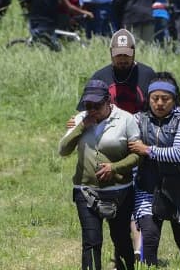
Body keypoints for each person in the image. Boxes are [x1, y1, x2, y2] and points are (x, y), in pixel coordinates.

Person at [59, 79, 139, 270]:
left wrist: (115, 168)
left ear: (108, 101)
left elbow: (137, 155)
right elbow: (63, 150)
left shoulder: (126, 119)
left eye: (97, 105)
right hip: (85, 191)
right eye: (88, 105)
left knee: (120, 239)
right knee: (91, 241)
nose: (92, 109)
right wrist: (81, 126)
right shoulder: (80, 119)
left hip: (119, 191)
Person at [128, 72, 180, 267]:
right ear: (149, 98)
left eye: (165, 99)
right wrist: (84, 120)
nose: (159, 103)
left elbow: (178, 153)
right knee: (149, 237)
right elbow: (115, 124)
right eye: (155, 98)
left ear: (174, 99)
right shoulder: (138, 119)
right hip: (147, 188)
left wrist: (147, 150)